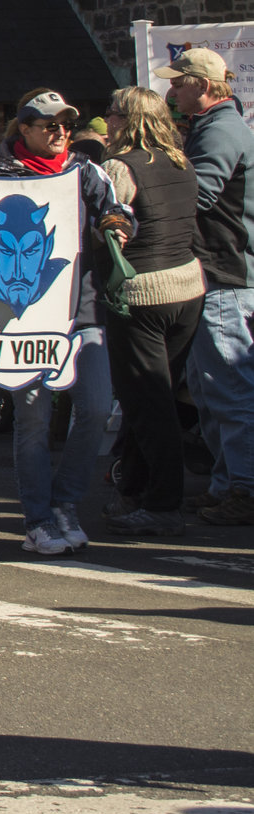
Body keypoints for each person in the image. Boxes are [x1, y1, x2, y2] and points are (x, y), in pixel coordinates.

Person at [0, 88, 128, 546]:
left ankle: (65, 503)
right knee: (32, 419)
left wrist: (118, 226)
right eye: (49, 124)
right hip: (21, 318)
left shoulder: (85, 171)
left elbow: (117, 210)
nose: (60, 132)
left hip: (82, 308)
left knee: (94, 406)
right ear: (23, 128)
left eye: (66, 124)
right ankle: (38, 519)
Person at [95, 86, 209, 537]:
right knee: (157, 397)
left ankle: (162, 503)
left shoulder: (119, 167)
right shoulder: (183, 163)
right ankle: (136, 492)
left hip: (142, 292)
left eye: (113, 115)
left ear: (127, 119)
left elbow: (111, 228)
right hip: (187, 287)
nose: (109, 122)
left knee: (147, 402)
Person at [156, 48, 254, 526]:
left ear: (202, 84)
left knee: (227, 385)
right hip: (215, 270)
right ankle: (227, 484)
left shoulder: (219, 129)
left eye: (178, 83)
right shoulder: (215, 126)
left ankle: (245, 488)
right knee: (208, 386)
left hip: (222, 272)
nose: (171, 92)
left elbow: (198, 195)